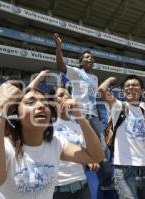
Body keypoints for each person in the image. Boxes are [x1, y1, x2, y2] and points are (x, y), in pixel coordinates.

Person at [0, 77, 104, 199]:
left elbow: (96, 156)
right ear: (16, 114)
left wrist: (79, 116)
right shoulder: (4, 146)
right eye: (31, 102)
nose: (41, 106)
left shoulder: (56, 144)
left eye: (44, 103)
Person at [53, 33, 114, 191]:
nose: (89, 59)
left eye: (91, 57)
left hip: (93, 116)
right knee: (79, 145)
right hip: (79, 115)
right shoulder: (76, 72)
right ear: (81, 61)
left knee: (102, 148)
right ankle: (79, 180)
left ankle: (106, 182)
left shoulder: (94, 78)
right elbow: (60, 66)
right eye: (86, 57)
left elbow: (95, 97)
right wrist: (58, 48)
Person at [28, 70, 98, 199]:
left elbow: (88, 152)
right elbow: (25, 97)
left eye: (68, 95)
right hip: (57, 190)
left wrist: (90, 162)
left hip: (81, 186)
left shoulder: (78, 124)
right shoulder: (46, 124)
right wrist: (38, 78)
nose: (66, 97)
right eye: (61, 95)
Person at [98, 75, 145, 199]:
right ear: (123, 91)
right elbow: (102, 90)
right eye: (127, 86)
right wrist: (110, 79)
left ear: (142, 90)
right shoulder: (119, 106)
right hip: (124, 168)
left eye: (134, 85)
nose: (130, 87)